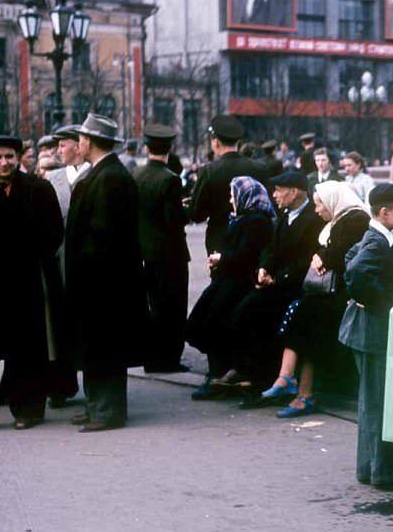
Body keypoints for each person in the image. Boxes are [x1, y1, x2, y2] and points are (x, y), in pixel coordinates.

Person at [66, 113, 149, 432]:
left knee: (104, 347)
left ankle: (107, 411)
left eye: (81, 139)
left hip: (103, 284)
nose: (78, 144)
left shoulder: (110, 177)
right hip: (102, 282)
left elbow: (101, 238)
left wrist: (83, 278)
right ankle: (97, 406)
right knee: (96, 346)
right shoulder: (106, 174)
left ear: (88, 141)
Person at [269, 181, 370, 417]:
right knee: (303, 313)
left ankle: (294, 385)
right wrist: (320, 255)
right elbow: (326, 252)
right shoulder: (340, 219)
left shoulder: (355, 220)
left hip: (346, 294)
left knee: (306, 314)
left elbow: (340, 254)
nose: (316, 210)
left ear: (332, 200)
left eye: (319, 204)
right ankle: (293, 384)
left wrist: (321, 256)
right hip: (333, 293)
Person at [340, 183, 393, 489]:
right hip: (373, 331)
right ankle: (385, 471)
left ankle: (369, 468)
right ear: (384, 213)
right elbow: (357, 273)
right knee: (379, 403)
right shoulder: (377, 241)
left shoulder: (378, 237)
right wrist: (386, 305)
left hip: (367, 330)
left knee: (372, 401)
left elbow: (349, 259)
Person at [0, 135, 63, 430]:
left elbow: (55, 233)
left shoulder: (38, 190)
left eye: (9, 156)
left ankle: (28, 410)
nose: (4, 162)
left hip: (26, 281)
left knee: (27, 350)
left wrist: (29, 255)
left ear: (18, 158)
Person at [233, 170, 325, 409]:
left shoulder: (313, 219)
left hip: (296, 288)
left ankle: (266, 381)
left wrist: (279, 279)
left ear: (294, 192)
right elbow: (271, 249)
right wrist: (264, 268)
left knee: (257, 315)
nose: (274, 195)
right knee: (243, 312)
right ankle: (254, 376)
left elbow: (307, 259)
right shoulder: (284, 215)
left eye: (278, 190)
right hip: (277, 284)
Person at [187, 176, 275, 399]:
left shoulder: (256, 221)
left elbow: (247, 255)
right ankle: (221, 374)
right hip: (228, 280)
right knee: (204, 323)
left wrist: (221, 258)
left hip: (239, 282)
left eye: (232, 194)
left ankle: (220, 376)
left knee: (212, 323)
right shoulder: (244, 218)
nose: (230, 199)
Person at [134, 124, 190, 374]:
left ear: (147, 148)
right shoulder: (170, 179)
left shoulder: (135, 175)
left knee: (151, 307)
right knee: (172, 308)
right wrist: (186, 210)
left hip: (143, 251)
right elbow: (173, 220)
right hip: (169, 253)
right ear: (170, 149)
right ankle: (168, 359)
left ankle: (150, 356)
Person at [45, 124, 87, 408]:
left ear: (77, 145)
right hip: (58, 260)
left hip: (86, 258)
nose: (58, 150)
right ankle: (61, 384)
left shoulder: (94, 174)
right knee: (59, 322)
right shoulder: (52, 177)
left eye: (63, 144)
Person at [189, 114, 266, 254]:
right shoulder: (259, 169)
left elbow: (197, 214)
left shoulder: (209, 171)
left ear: (216, 142)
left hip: (220, 242)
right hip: (252, 241)